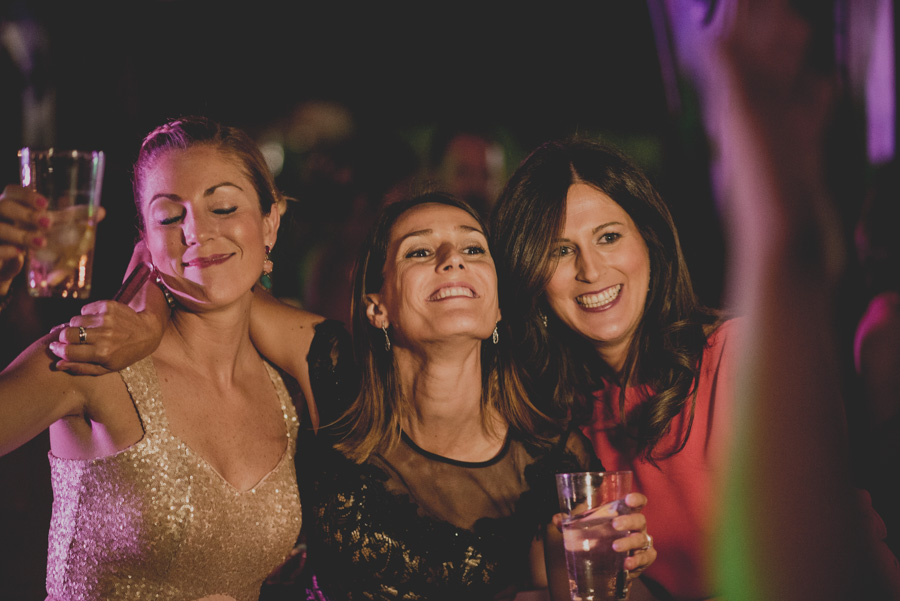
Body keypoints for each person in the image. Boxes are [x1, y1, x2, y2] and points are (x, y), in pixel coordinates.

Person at [51, 191, 658, 600]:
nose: (453, 260)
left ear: (498, 301)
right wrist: (147, 321)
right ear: (377, 305)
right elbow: (208, 273)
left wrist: (606, 574)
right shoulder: (336, 373)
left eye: (474, 248)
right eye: (420, 251)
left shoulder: (554, 458)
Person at [0, 116, 310, 600]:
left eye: (223, 207)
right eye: (168, 217)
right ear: (145, 241)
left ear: (270, 222)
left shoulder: (290, 387)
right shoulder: (93, 358)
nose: (197, 231)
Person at [490, 135, 728, 600]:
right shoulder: (563, 421)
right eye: (560, 251)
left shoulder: (734, 361)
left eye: (609, 237)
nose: (591, 270)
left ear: (650, 242)